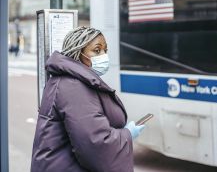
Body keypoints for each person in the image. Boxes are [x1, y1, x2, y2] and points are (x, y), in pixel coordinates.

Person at [31, 26, 145, 172]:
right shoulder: (73, 86)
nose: (104, 55)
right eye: (97, 50)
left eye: (105, 50)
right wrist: (127, 134)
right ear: (78, 53)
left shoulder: (70, 80)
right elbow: (95, 144)